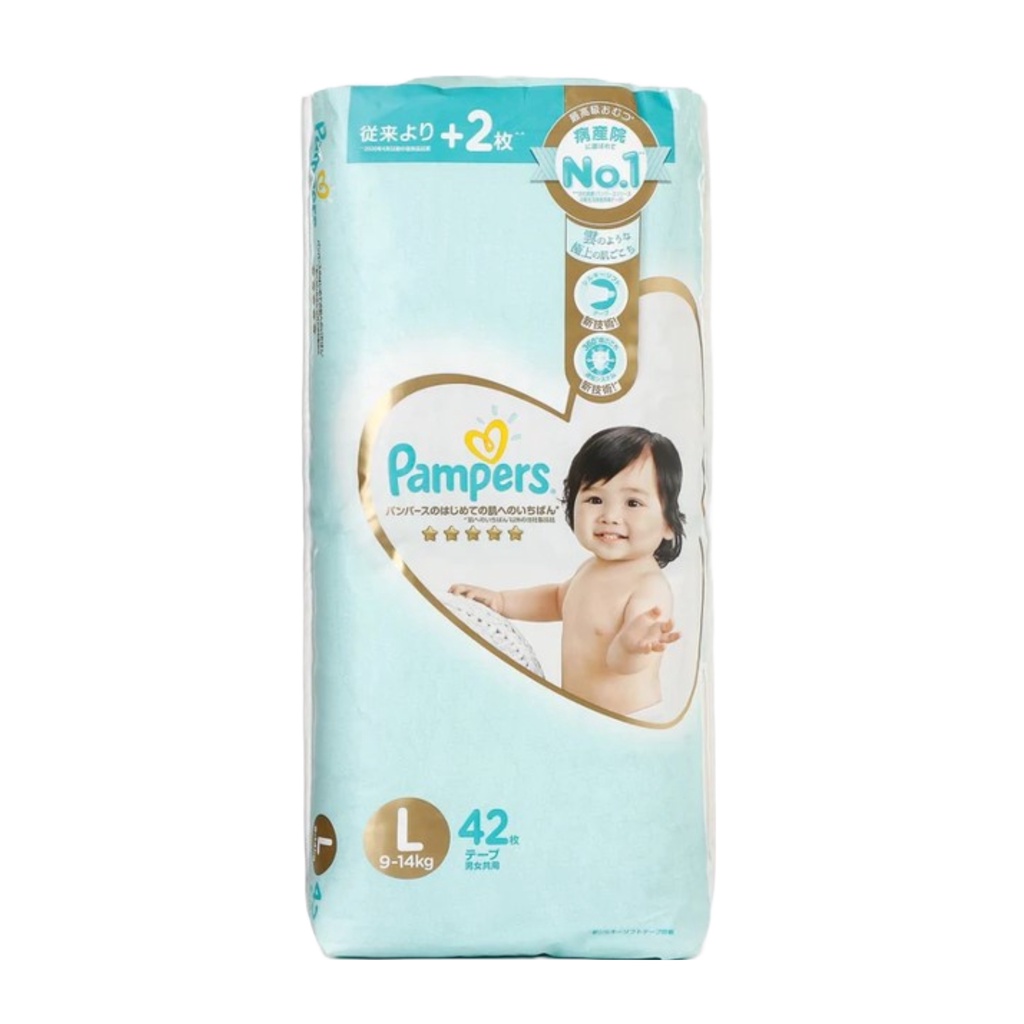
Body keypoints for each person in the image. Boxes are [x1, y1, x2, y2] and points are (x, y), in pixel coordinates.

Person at [449, 426, 685, 715]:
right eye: (595, 499)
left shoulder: (648, 587)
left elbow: (621, 664)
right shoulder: (591, 569)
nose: (610, 516)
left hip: (627, 721)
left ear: (668, 523)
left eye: (633, 503)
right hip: (579, 716)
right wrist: (501, 601)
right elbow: (558, 600)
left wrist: (632, 645)